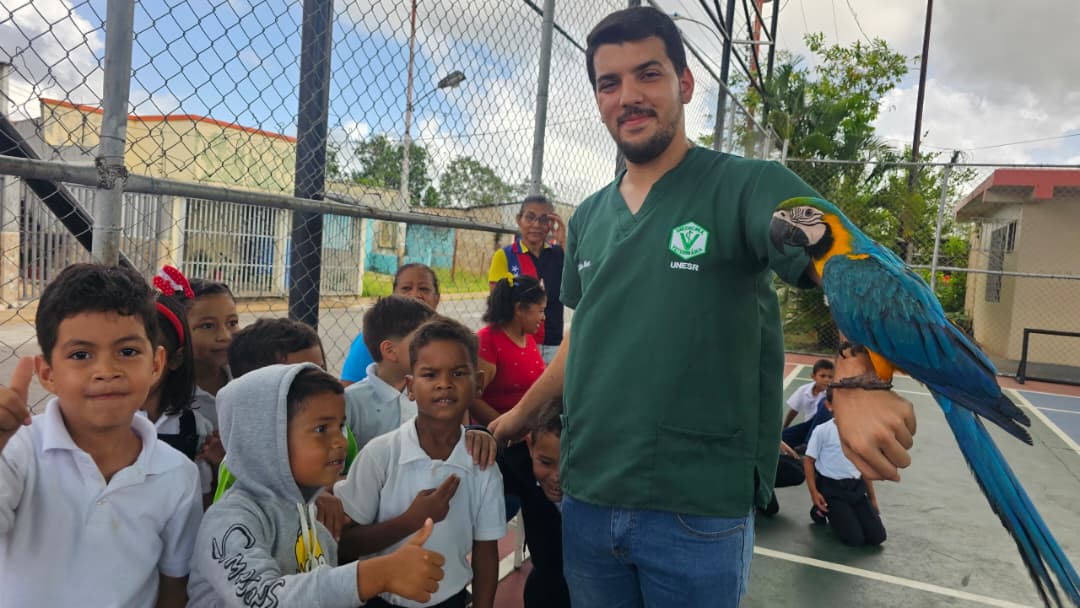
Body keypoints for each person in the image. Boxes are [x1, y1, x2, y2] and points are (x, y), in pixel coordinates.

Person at [488, 7, 917, 606]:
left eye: (648, 74)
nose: (628, 96)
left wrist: (856, 381)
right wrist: (519, 417)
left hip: (698, 511)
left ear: (685, 84)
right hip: (588, 499)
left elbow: (841, 258)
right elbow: (586, 340)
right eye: (609, 83)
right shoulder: (587, 218)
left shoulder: (747, 186)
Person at [0, 263, 203, 606]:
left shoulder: (178, 474)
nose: (106, 371)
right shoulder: (17, 453)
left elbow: (174, 582)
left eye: (127, 352)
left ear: (155, 364)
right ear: (48, 374)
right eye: (81, 355)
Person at [187, 363, 447, 607]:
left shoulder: (311, 514)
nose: (340, 441)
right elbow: (262, 598)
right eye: (322, 429)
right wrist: (373, 575)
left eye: (341, 426)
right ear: (266, 439)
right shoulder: (232, 520)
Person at [336, 318, 506, 608]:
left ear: (477, 384)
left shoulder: (482, 463)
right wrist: (412, 520)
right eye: (430, 374)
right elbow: (347, 545)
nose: (444, 384)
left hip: (449, 600)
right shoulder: (380, 455)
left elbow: (486, 551)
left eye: (458, 373)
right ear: (411, 387)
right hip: (379, 600)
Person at [213, 317, 360, 543]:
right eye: (295, 378)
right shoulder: (238, 479)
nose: (317, 382)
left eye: (319, 370)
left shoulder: (337, 431)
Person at [144, 272, 221, 507]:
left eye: (134, 353)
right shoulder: (108, 423)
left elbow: (203, 498)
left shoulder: (193, 426)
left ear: (174, 359)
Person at [487, 196, 566, 364]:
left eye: (544, 219)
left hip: (554, 343)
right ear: (519, 219)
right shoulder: (505, 256)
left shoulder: (559, 254)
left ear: (551, 222)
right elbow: (497, 305)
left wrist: (563, 240)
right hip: (520, 343)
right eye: (530, 217)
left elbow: (581, 280)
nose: (536, 225)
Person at [804, 389, 887, 547]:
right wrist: (814, 493)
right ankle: (820, 510)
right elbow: (808, 461)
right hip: (832, 489)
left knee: (877, 537)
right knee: (855, 539)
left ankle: (846, 513)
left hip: (856, 488)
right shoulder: (822, 431)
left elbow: (864, 467)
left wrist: (873, 498)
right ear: (829, 405)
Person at [342, 264, 441, 385]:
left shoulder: (448, 340)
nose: (415, 294)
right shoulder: (373, 338)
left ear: (437, 298)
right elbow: (348, 390)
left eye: (424, 289)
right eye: (406, 288)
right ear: (394, 295)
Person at [471, 275, 547, 427]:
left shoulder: (527, 338)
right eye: (540, 310)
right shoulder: (487, 342)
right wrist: (507, 429)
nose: (543, 317)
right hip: (499, 438)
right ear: (519, 309)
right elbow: (471, 399)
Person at [521, 399, 570, 608]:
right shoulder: (520, 466)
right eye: (546, 463)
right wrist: (479, 435)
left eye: (571, 465)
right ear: (530, 446)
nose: (557, 477)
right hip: (544, 592)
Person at [187, 278, 240, 429]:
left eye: (232, 323)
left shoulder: (244, 377)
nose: (225, 336)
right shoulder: (166, 396)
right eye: (208, 325)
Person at [782, 359, 834, 449]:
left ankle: (807, 443)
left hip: (825, 430)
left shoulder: (833, 394)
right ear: (813, 376)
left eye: (830, 377)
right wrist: (785, 427)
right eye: (823, 376)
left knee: (824, 402)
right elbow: (794, 410)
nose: (827, 380)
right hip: (808, 428)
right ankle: (806, 442)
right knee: (781, 438)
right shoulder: (803, 390)